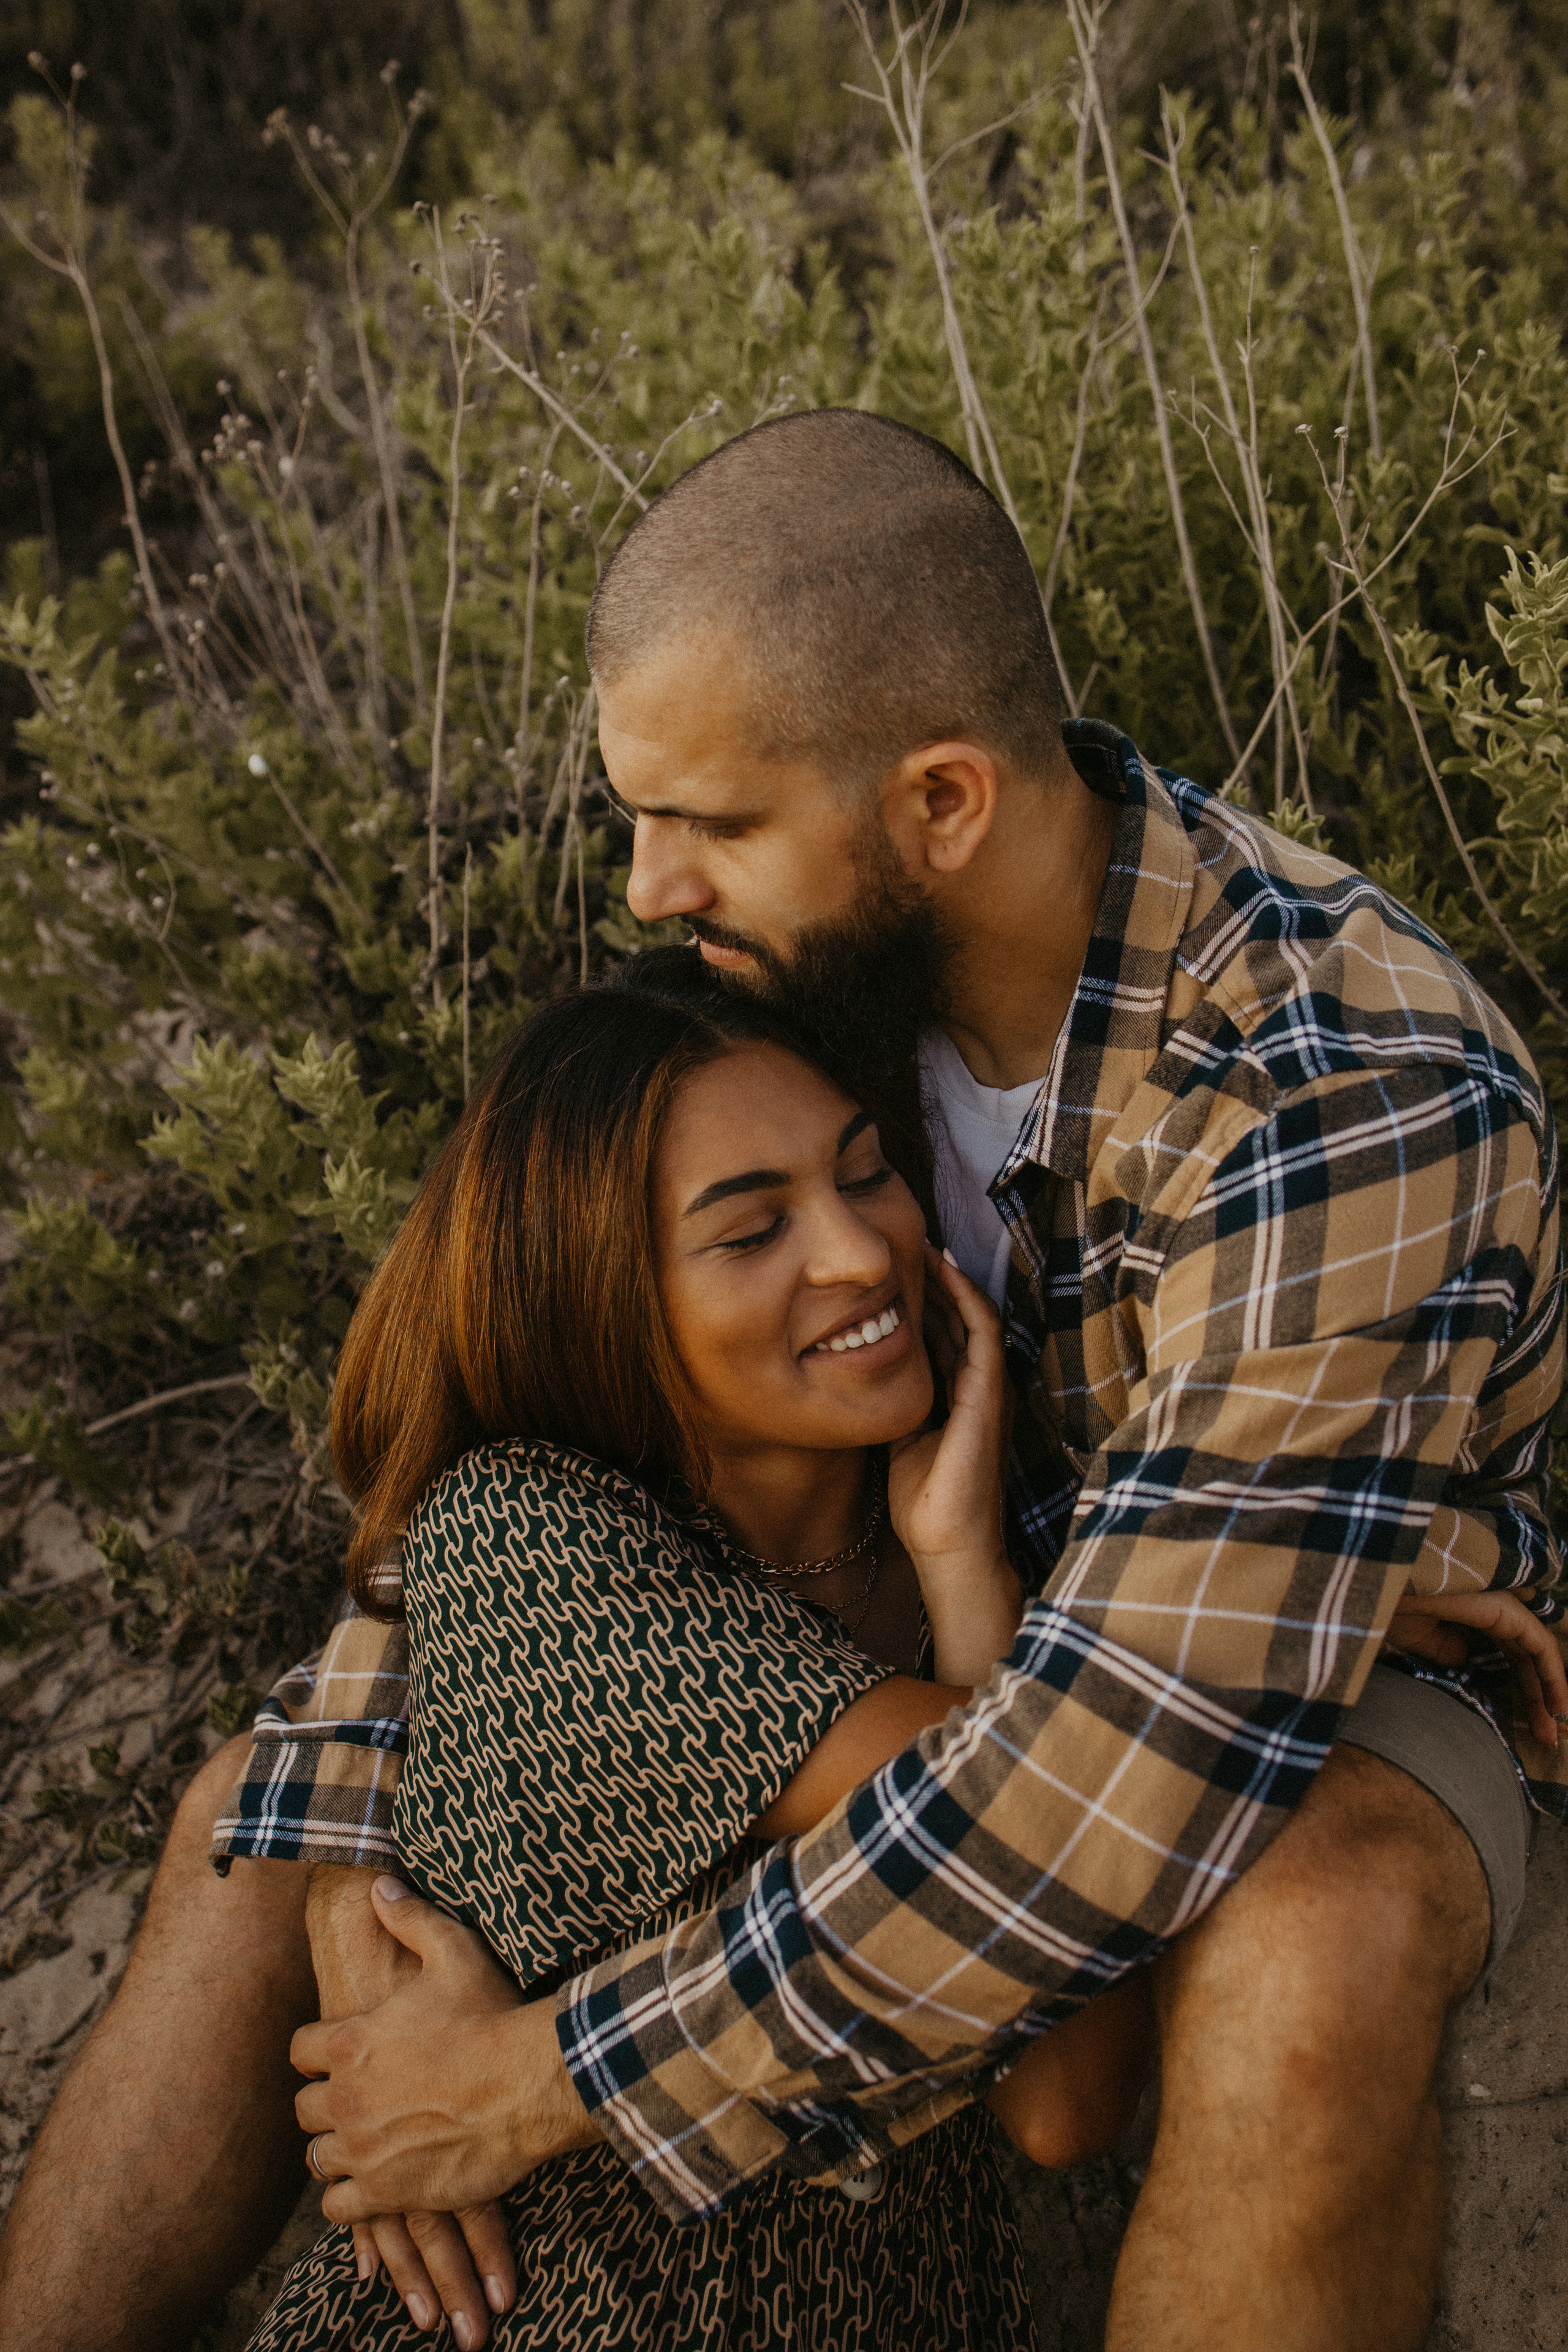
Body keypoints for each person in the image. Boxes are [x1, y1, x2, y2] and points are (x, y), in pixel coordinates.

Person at [0, 409, 1561, 2352]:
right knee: (247, 1815)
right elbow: (532, 1379)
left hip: (1296, 1661)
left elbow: (1114, 1787)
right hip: (934, 1608)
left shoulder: (1337, 1090)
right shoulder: (804, 970)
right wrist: (344, 1830)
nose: (650, 886)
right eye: (642, 817)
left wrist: (529, 2082)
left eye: (712, 825)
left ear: (940, 806)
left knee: (1309, 1945)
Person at [246, 960, 1093, 2348]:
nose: (859, 1252)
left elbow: (1062, 2099)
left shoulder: (974, 1541)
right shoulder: (531, 1544)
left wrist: (957, 1561)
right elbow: (1021, 1844)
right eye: (751, 1232)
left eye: (866, 1171)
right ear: (606, 1300)